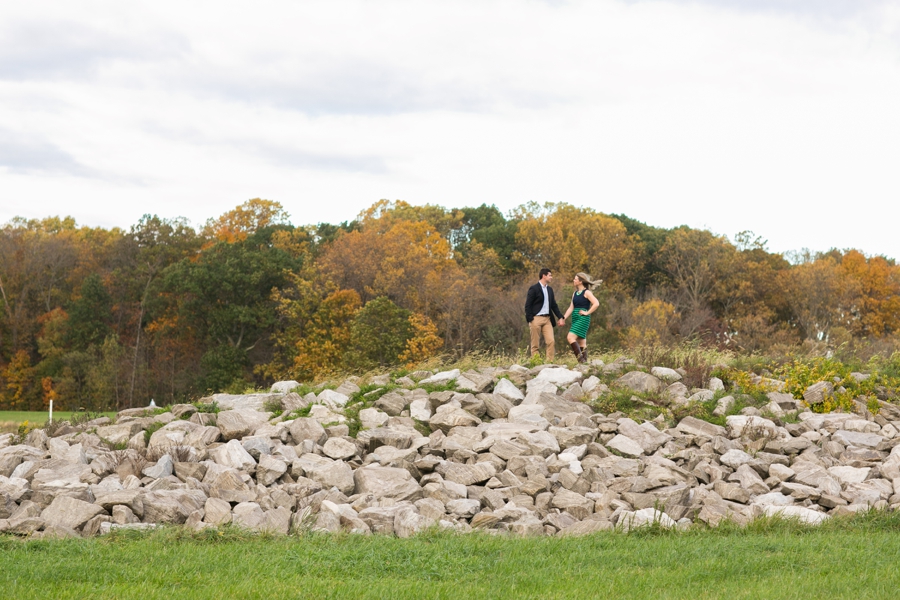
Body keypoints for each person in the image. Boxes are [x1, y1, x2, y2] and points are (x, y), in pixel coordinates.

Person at [525, 268, 565, 361]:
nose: (551, 277)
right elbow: (528, 305)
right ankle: (536, 362)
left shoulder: (550, 289)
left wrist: (560, 317)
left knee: (551, 341)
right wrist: (530, 318)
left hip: (547, 319)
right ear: (544, 276)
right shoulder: (534, 288)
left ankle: (549, 362)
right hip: (536, 319)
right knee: (535, 344)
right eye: (550, 275)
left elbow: (554, 305)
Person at [562, 272, 600, 363]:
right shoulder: (575, 293)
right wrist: (563, 318)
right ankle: (585, 363)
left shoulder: (587, 292)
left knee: (570, 337)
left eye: (575, 279)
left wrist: (587, 313)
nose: (573, 280)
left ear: (580, 281)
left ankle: (581, 361)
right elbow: (571, 308)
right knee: (581, 341)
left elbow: (596, 303)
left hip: (583, 318)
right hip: (575, 319)